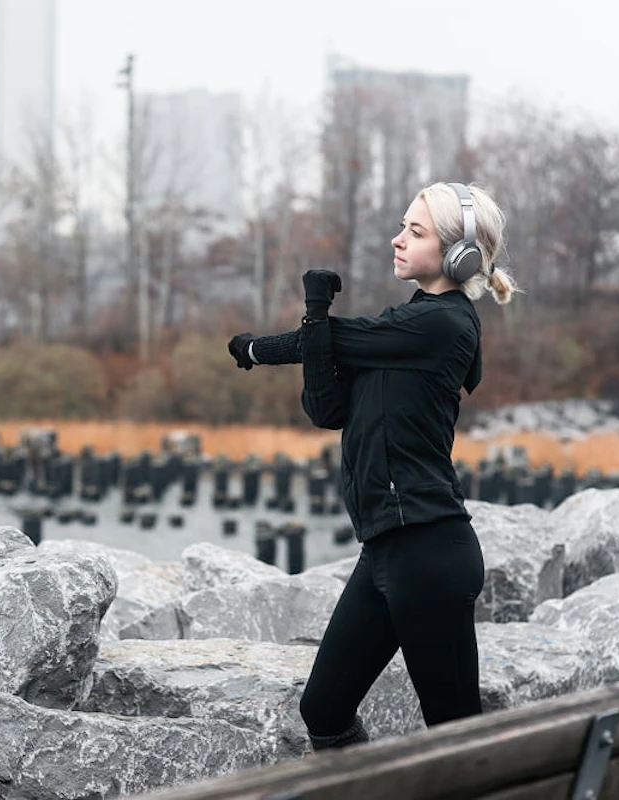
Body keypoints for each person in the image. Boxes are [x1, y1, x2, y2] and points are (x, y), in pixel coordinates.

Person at [227, 181, 518, 751]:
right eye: (402, 226)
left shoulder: (442, 324)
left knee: (455, 737)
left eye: (415, 231)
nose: (397, 239)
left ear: (458, 253)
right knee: (324, 708)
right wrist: (312, 319)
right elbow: (326, 408)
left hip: (430, 550)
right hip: (385, 549)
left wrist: (264, 346)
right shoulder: (400, 332)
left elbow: (338, 337)